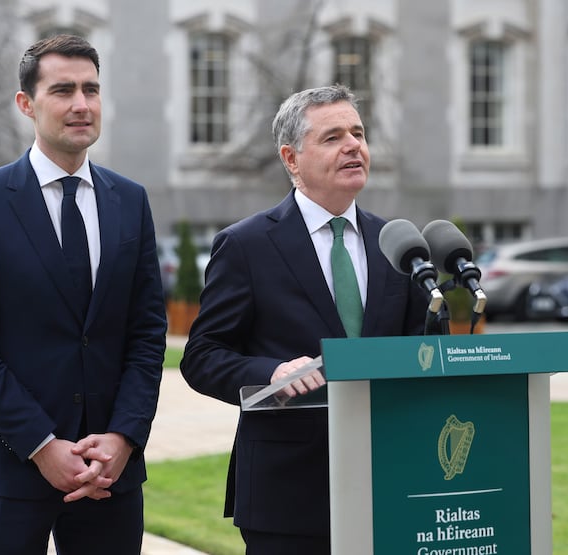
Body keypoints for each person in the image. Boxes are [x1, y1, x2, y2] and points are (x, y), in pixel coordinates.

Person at [180, 84, 432, 554]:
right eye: (333, 137)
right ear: (291, 159)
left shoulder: (397, 243)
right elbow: (202, 357)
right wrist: (270, 374)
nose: (354, 145)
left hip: (390, 483)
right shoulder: (247, 245)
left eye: (358, 133)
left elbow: (420, 349)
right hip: (288, 494)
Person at [0, 34, 166, 555]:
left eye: (91, 89)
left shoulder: (130, 201)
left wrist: (123, 439)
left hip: (111, 471)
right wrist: (42, 446)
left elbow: (147, 333)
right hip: (10, 466)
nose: (81, 104)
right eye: (63, 90)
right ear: (27, 103)